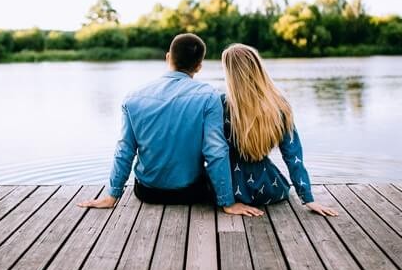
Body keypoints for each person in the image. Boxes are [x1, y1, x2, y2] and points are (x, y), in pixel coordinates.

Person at [78, 34, 263, 217]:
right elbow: (215, 151)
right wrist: (227, 202)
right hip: (191, 193)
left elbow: (125, 149)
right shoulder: (209, 97)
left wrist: (112, 195)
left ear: (168, 57)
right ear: (199, 66)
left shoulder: (133, 97)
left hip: (146, 193)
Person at [221, 43, 338, 216]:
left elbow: (212, 153)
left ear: (230, 73)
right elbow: (293, 156)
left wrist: (226, 200)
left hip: (231, 189)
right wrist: (308, 198)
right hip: (267, 188)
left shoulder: (220, 105)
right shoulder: (279, 107)